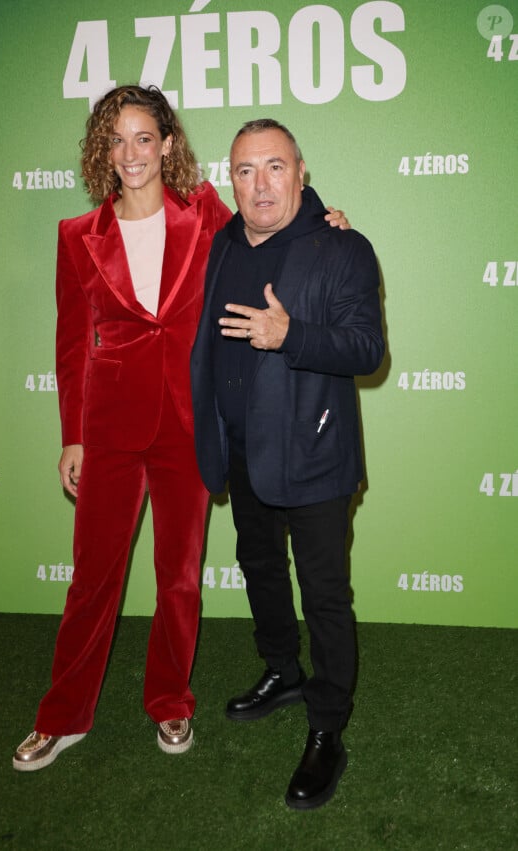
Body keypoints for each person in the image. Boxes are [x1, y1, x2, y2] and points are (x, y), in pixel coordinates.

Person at [13, 87, 349, 771]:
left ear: (167, 145)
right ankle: (63, 713)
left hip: (189, 425)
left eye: (144, 138)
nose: (131, 153)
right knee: (93, 579)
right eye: (116, 139)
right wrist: (72, 434)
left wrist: (325, 220)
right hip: (108, 427)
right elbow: (72, 344)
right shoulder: (77, 237)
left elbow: (270, 226)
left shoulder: (203, 213)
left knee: (179, 577)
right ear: (100, 151)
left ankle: (170, 700)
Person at [190, 119, 384, 809]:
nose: (261, 183)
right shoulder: (221, 243)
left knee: (325, 594)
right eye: (245, 170)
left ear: (302, 172)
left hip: (316, 455)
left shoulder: (343, 247)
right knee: (260, 567)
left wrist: (291, 334)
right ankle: (282, 669)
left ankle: (328, 726)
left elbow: (367, 350)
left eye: (276, 167)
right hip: (243, 449)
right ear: (232, 180)